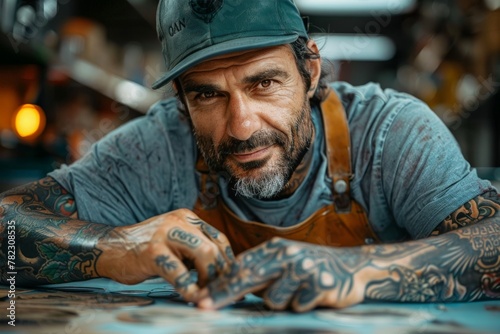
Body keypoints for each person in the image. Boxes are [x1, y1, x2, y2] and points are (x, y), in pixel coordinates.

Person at [1, 0, 499, 312]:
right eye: (207, 96)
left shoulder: (391, 133)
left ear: (310, 70)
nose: (241, 126)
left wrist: (356, 272)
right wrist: (115, 247)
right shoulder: (155, 147)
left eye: (263, 83)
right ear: (181, 100)